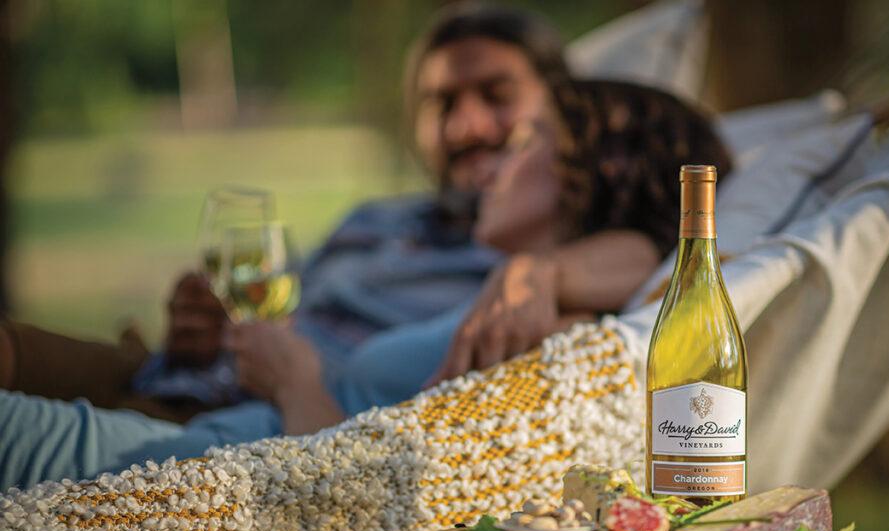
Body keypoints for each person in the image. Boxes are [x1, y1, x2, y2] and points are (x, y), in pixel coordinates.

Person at [0, 4, 732, 490]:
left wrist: (542, 267)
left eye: (514, 117)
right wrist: (210, 344)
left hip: (215, 449)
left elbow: (648, 264)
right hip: (189, 392)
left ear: (584, 164)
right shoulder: (379, 220)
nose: (479, 133)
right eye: (442, 104)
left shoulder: (533, 295)